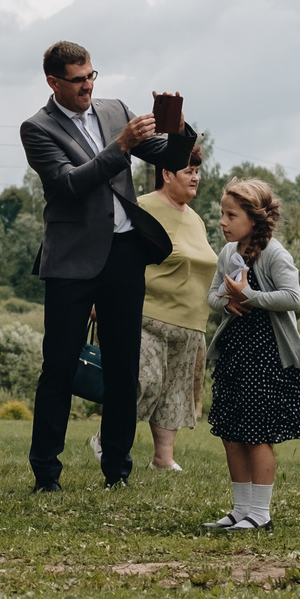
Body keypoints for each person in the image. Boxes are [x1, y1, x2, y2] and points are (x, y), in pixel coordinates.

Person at [19, 40, 198, 491]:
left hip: (123, 254)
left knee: (124, 367)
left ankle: (117, 471)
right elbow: (70, 184)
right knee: (59, 367)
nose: (88, 87)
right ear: (53, 81)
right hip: (70, 261)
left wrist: (176, 125)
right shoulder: (37, 128)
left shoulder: (115, 108)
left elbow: (170, 157)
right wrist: (121, 146)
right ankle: (46, 473)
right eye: (78, 80)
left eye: (92, 76)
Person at [204, 179, 300, 529]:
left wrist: (251, 297)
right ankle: (240, 509)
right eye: (222, 214)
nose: (223, 221)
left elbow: (293, 298)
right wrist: (229, 300)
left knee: (257, 433)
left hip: (268, 358)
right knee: (231, 432)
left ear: (254, 218)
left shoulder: (275, 253)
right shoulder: (228, 253)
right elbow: (213, 297)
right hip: (236, 354)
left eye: (231, 215)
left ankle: (260, 514)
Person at [131, 144, 216, 473]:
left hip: (191, 322)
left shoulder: (196, 220)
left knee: (175, 393)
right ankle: (108, 437)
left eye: (197, 171)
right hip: (148, 315)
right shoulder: (143, 207)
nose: (195, 178)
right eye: (188, 171)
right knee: (144, 382)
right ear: (166, 174)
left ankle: (162, 459)